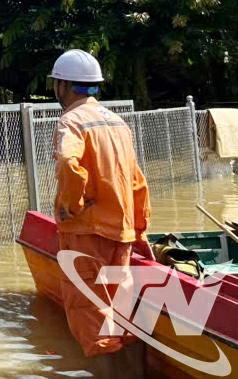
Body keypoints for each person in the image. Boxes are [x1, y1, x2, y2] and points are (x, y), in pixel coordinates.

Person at [49, 49, 152, 356]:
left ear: (64, 86)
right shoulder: (118, 123)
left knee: (90, 317)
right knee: (119, 314)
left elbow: (68, 161)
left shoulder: (72, 121)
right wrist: (140, 229)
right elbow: (137, 181)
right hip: (121, 233)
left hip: (86, 233)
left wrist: (72, 205)